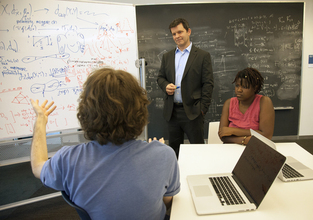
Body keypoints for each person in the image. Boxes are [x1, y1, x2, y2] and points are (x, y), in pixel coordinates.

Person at [30, 68, 180, 220]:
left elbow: (37, 167)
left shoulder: (68, 160)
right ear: (140, 110)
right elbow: (167, 204)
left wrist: (40, 121)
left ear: (86, 111)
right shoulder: (164, 155)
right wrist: (155, 158)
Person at [157, 18, 214, 157]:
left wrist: (202, 109)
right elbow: (160, 78)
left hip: (193, 112)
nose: (177, 36)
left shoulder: (202, 56)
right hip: (172, 112)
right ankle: (177, 178)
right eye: (174, 34)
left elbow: (208, 83)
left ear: (188, 31)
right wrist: (165, 86)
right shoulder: (167, 56)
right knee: (174, 151)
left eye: (180, 32)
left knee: (198, 151)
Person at [218, 67, 275, 145]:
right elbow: (223, 134)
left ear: (255, 88)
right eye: (237, 86)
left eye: (244, 87)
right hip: (230, 148)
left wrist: (232, 131)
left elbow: (266, 135)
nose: (239, 90)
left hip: (255, 148)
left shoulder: (264, 102)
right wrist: (247, 139)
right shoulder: (229, 103)